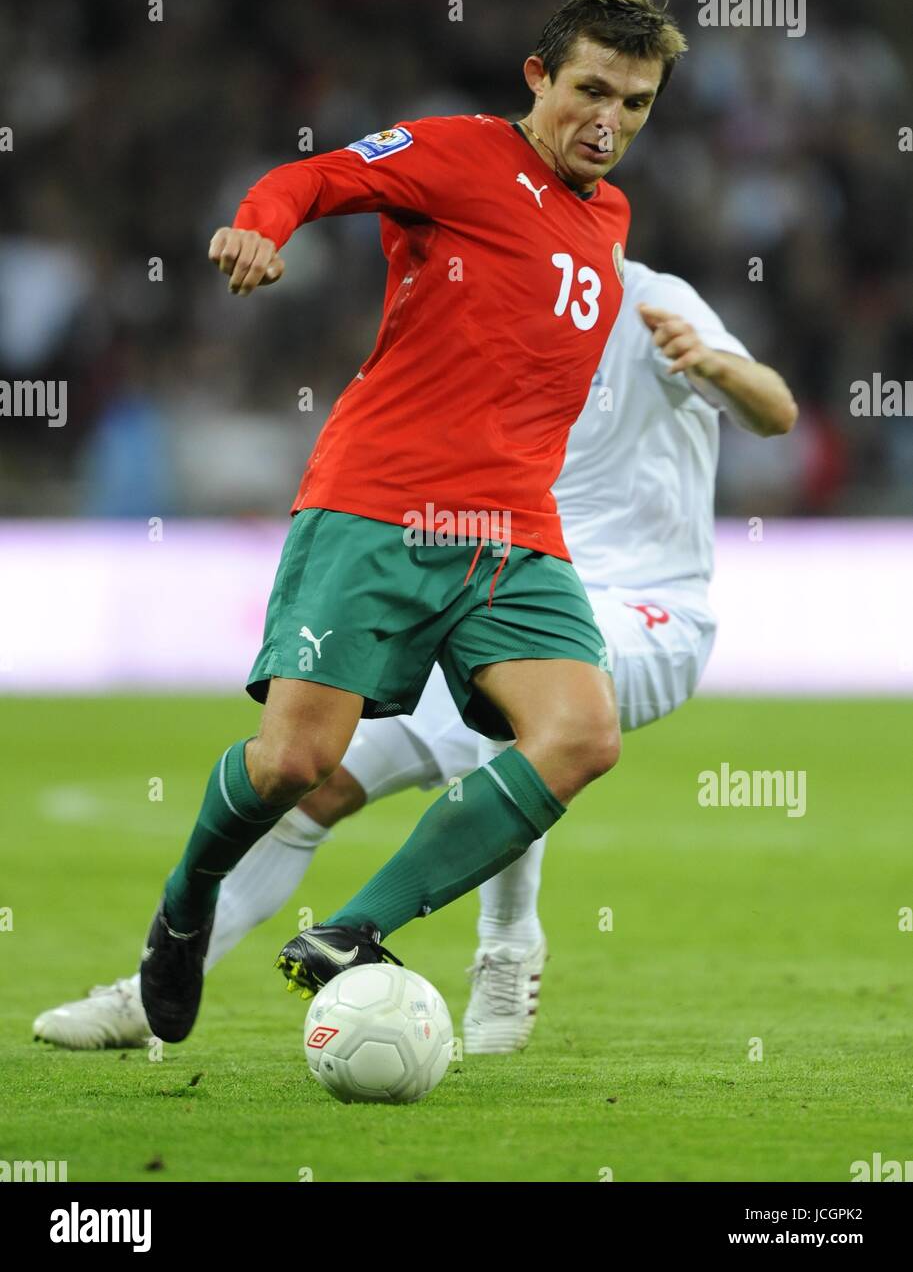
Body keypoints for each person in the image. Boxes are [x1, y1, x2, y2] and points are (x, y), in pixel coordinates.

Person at [36, 258, 797, 1051]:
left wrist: (714, 365)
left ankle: (505, 944)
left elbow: (774, 411)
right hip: (508, 587)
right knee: (310, 787)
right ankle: (145, 1002)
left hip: (647, 607)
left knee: (525, 697)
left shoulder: (651, 300)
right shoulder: (488, 311)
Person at [136, 0, 689, 1043]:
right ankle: (186, 898)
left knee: (579, 733)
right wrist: (259, 229)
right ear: (538, 76)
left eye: (636, 101)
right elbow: (313, 175)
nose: (609, 121)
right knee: (293, 763)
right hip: (381, 504)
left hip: (511, 533)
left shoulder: (609, 215)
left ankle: (350, 929)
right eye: (589, 91)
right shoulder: (458, 153)